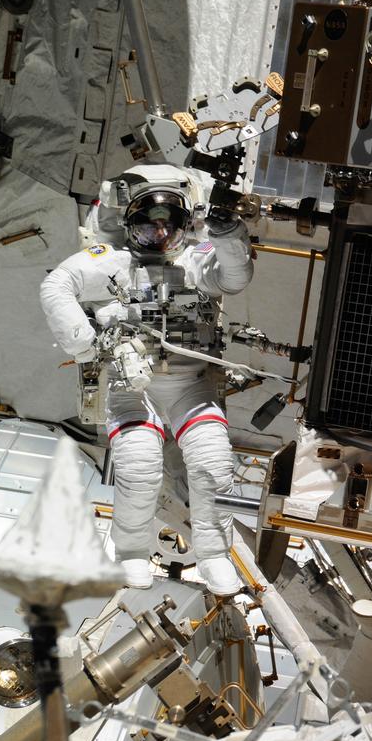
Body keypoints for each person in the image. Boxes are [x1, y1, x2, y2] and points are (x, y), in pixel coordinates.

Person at [40, 161, 253, 593]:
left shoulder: (196, 259)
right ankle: (132, 554)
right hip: (130, 385)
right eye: (147, 226)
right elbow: (58, 283)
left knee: (213, 467)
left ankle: (213, 555)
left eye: (166, 226)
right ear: (129, 224)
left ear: (182, 225)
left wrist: (228, 235)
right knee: (138, 472)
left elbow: (234, 277)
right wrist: (80, 340)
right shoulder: (110, 261)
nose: (157, 236)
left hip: (190, 385)